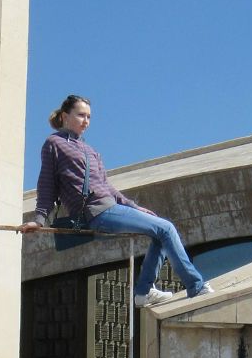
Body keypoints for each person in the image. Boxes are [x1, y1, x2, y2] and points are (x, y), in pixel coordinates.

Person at [21, 94, 214, 307]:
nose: (86, 121)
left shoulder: (91, 151)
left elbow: (107, 187)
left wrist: (134, 206)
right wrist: (39, 220)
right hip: (95, 212)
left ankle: (143, 291)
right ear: (66, 116)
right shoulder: (53, 143)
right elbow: (47, 184)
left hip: (109, 207)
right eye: (81, 115)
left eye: (89, 117)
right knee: (166, 228)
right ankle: (195, 286)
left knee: (160, 231)